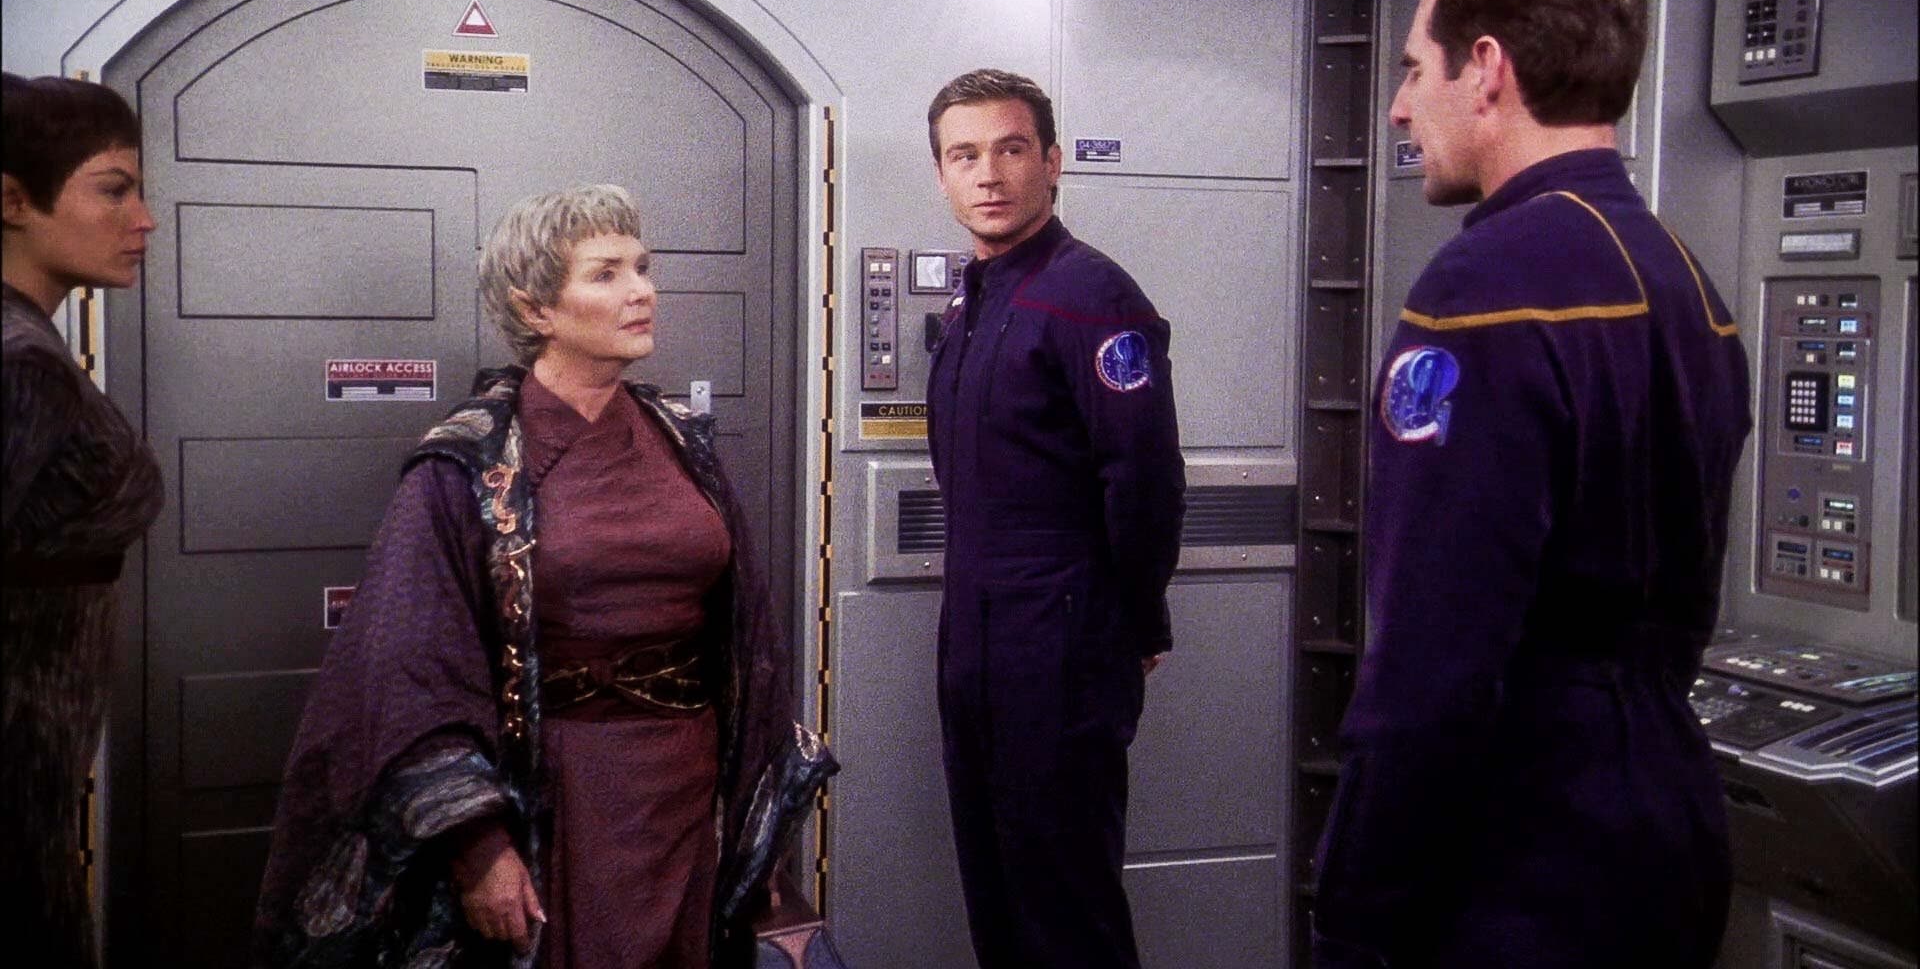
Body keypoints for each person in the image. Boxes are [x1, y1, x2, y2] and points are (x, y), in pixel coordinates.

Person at [1311, 0, 1753, 968]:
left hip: (1518, 855)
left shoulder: (1483, 292)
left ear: (1488, 69)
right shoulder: (1687, 281)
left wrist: (1356, 909)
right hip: (1666, 831)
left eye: (1415, 68)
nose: (1399, 104)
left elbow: (1432, 667)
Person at [254, 184, 833, 968]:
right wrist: (478, 846)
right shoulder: (468, 463)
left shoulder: (681, 441)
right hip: (557, 794)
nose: (641, 291)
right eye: (606, 274)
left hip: (687, 785)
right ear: (536, 310)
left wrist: (758, 819)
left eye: (642, 268)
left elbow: (748, 633)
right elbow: (408, 667)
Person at [924, 68, 1185, 968]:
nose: (988, 174)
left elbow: (1144, 477)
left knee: (1066, 911)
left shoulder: (1092, 295)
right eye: (965, 155)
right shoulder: (973, 300)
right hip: (975, 639)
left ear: (1053, 162)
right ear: (942, 176)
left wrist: (1134, 622)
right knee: (996, 894)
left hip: (1061, 644)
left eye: (1010, 149)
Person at [2, 72, 165, 969]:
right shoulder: (19, 362)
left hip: (39, 757)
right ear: (12, 201)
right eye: (113, 190)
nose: (143, 220)